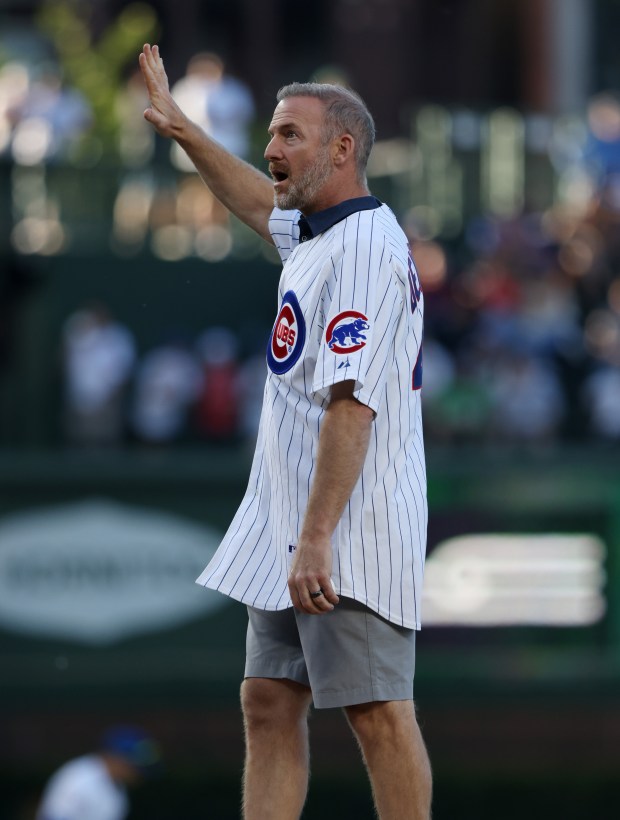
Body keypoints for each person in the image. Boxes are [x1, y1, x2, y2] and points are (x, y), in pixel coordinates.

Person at [139, 43, 431, 820]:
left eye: (289, 135)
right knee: (267, 700)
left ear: (342, 148)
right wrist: (185, 131)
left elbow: (352, 404)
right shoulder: (324, 232)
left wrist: (317, 536)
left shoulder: (366, 247)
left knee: (376, 712)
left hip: (345, 529)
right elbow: (261, 209)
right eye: (270, 134)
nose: (270, 148)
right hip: (293, 520)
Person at [35, 725, 161, 820]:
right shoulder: (78, 776)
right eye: (133, 766)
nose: (137, 774)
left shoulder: (116, 785)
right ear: (115, 757)